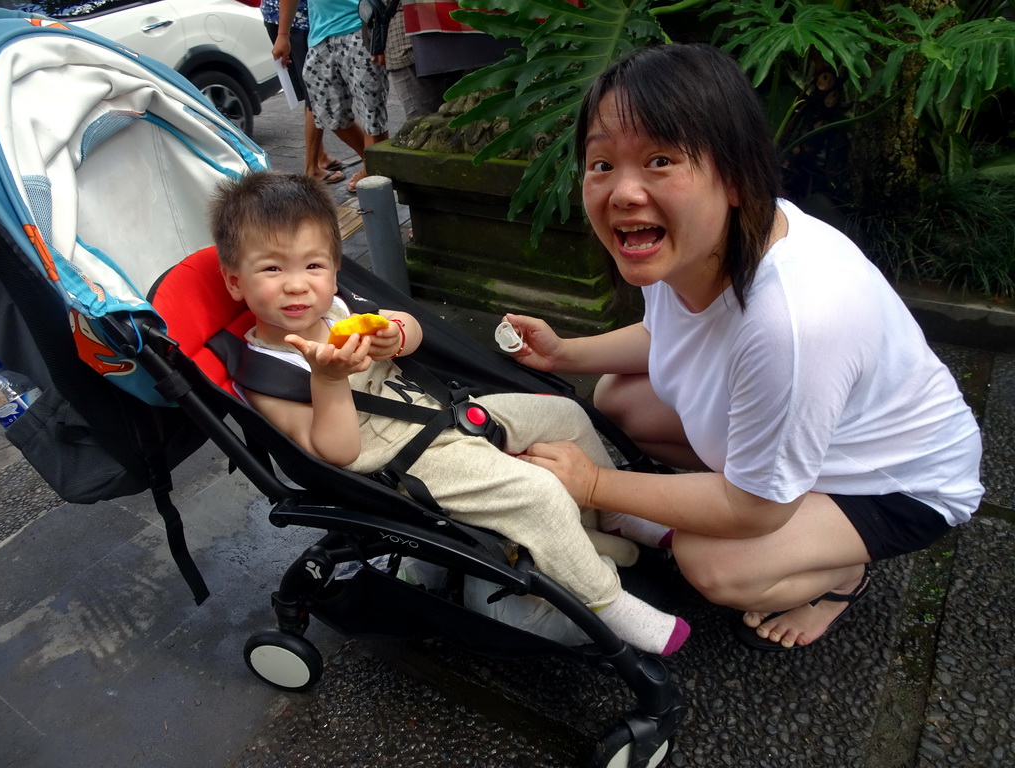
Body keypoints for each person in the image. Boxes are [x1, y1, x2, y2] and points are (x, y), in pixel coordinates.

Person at [506, 43, 984, 651]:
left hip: (900, 481)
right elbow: (667, 336)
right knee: (619, 398)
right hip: (809, 433)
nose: (623, 193)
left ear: (735, 178)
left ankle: (840, 575)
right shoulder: (699, 242)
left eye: (659, 160)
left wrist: (595, 485)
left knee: (714, 563)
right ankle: (782, 492)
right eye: (602, 164)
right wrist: (564, 354)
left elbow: (754, 510)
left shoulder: (794, 318)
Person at [207, 170, 691, 656]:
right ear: (235, 281)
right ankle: (607, 603)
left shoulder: (338, 308)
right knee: (537, 493)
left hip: (440, 410)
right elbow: (336, 452)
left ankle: (612, 517)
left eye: (312, 265)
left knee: (565, 414)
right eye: (272, 270)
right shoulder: (266, 374)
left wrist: (396, 333)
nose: (297, 286)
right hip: (400, 460)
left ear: (334, 268)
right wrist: (329, 380)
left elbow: (412, 330)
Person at [274, 0, 388, 192]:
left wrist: (382, 30)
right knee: (328, 113)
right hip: (320, 35)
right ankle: (375, 163)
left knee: (371, 110)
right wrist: (282, 34)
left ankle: (374, 174)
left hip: (360, 25)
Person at [262, 0, 344, 184]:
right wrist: (284, 34)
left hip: (277, 14)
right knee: (315, 95)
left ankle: (319, 156)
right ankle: (312, 168)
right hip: (298, 20)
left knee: (311, 92)